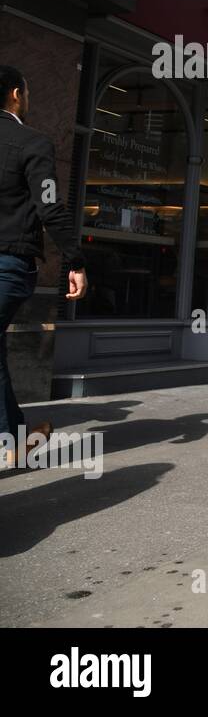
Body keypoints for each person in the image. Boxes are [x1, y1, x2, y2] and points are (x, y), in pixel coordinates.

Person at [1, 67, 89, 470]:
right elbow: (49, 205)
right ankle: (11, 442)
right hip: (7, 263)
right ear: (16, 94)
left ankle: (12, 440)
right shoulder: (31, 142)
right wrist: (73, 259)